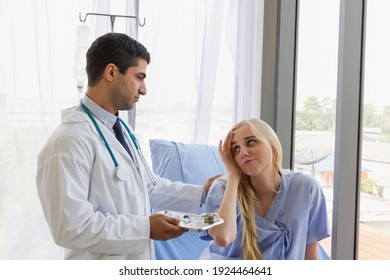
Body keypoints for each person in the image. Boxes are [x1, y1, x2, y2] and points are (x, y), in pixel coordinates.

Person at [36, 33, 208, 260]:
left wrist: (203, 192)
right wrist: (145, 228)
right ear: (111, 72)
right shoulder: (68, 141)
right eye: (139, 77)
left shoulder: (120, 131)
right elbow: (70, 227)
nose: (144, 89)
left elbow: (147, 188)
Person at [199, 118, 330, 260]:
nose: (243, 152)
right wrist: (233, 175)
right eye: (236, 149)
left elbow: (310, 255)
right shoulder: (223, 188)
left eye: (250, 142)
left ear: (271, 144)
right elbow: (223, 237)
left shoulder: (306, 187)